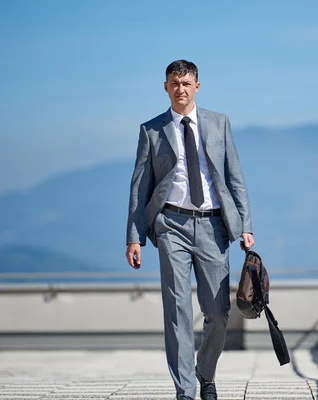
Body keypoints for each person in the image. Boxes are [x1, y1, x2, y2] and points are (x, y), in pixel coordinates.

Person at [125, 59, 254, 400]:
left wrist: (244, 226)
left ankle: (205, 373)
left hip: (213, 225)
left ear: (197, 86)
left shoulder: (218, 123)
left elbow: (234, 177)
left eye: (186, 83)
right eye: (174, 83)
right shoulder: (151, 130)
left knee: (218, 313)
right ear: (165, 88)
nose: (180, 89)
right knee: (178, 310)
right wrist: (134, 237)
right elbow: (139, 188)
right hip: (171, 226)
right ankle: (185, 391)